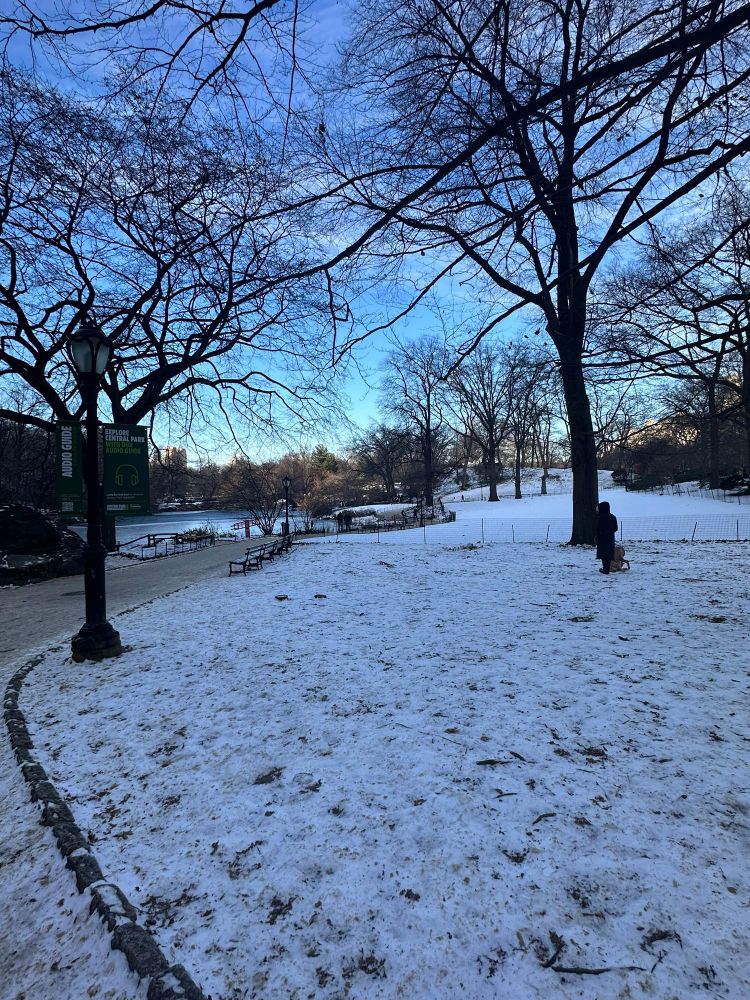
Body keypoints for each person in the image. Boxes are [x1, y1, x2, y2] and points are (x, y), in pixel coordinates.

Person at [595, 500, 618, 575]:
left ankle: (605, 569)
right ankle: (607, 568)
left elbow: (597, 528)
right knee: (608, 554)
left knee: (603, 554)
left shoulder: (600, 517)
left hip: (601, 538)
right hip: (610, 538)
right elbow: (615, 528)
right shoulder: (613, 517)